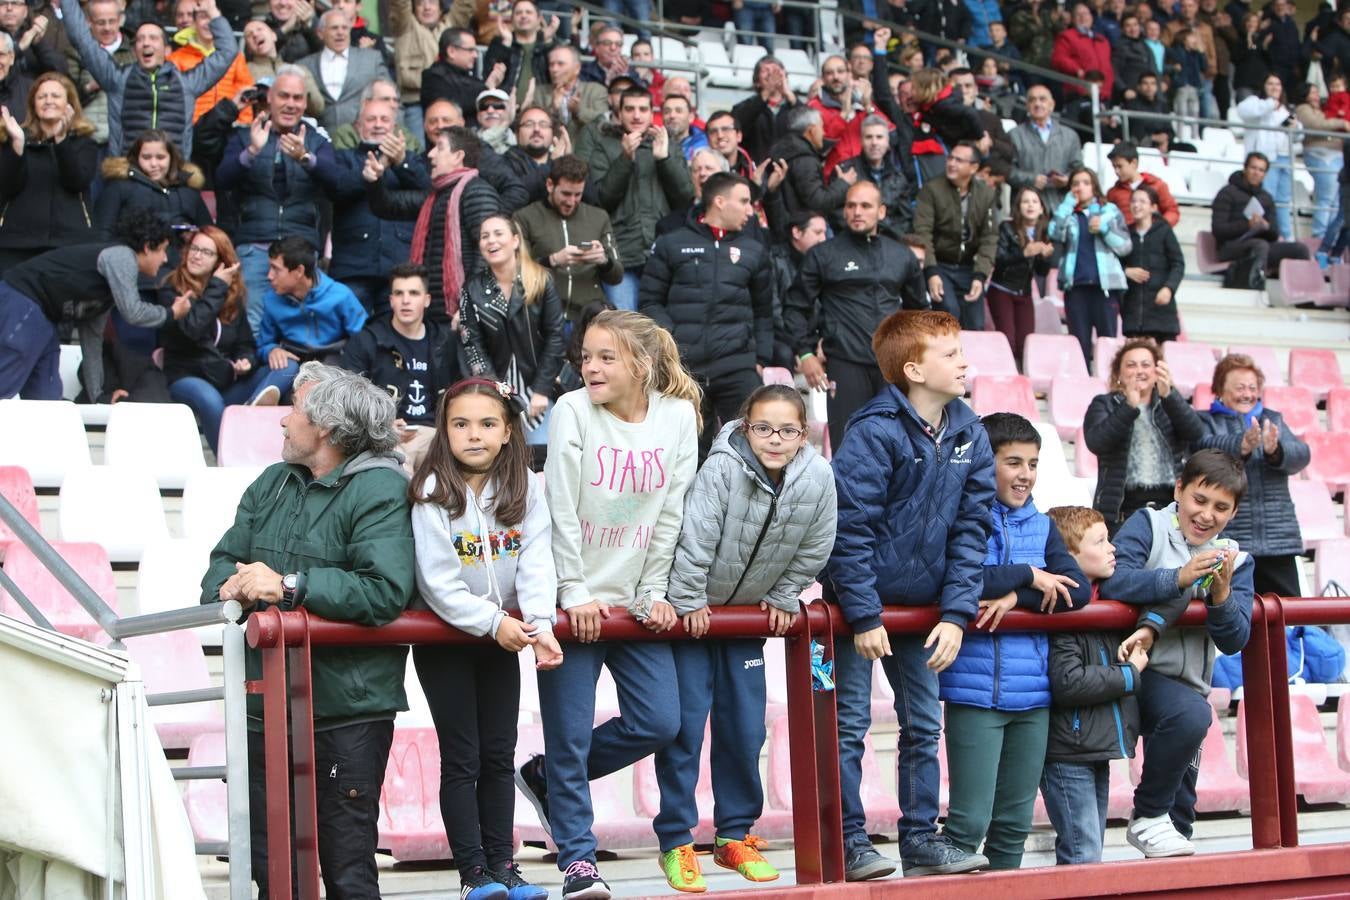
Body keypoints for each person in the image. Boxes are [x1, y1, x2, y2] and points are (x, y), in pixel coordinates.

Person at [203, 362, 414, 899]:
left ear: (324, 428)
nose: (281, 422)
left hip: (345, 712)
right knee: (270, 870)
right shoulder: (272, 482)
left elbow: (384, 591)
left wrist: (288, 586)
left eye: (293, 412)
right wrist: (235, 585)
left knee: (348, 871)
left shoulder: (382, 490)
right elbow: (220, 565)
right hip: (262, 708)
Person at [514, 310, 700, 900]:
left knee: (659, 721)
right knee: (569, 734)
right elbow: (560, 508)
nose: (589, 367)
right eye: (586, 356)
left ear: (641, 364)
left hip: (635, 601)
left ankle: (544, 778)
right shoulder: (571, 411)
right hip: (575, 605)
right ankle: (577, 860)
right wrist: (575, 595)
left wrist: (653, 591)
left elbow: (671, 513)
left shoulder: (676, 418)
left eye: (605, 357)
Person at [829, 309, 995, 881]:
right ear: (913, 369)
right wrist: (864, 612)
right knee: (848, 726)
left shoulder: (971, 431)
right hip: (857, 611)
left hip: (924, 612)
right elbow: (848, 530)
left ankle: (921, 837)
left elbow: (973, 530)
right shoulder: (873, 430)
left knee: (924, 725)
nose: (964, 362)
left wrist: (955, 614)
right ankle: (847, 840)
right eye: (950, 355)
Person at [656, 384, 836, 891]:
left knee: (745, 729)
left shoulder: (818, 477)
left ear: (804, 434)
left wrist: (783, 596)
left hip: (745, 625)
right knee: (685, 730)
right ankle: (676, 840)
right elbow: (695, 537)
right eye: (763, 428)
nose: (774, 439)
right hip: (696, 619)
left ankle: (734, 835)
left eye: (787, 430)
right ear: (744, 425)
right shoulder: (721, 468)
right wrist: (689, 600)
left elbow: (816, 543)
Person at [408, 378, 558, 900]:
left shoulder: (525, 489)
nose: (474, 434)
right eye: (461, 424)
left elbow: (537, 561)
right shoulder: (431, 495)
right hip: (449, 643)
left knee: (499, 754)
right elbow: (438, 584)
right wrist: (496, 623)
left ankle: (505, 868)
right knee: (463, 757)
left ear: (508, 430)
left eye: (487, 423)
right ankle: (474, 875)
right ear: (444, 431)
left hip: (504, 640)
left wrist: (539, 624)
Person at [940, 413, 1091, 870]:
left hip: (1034, 697)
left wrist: (1016, 595)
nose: (1025, 474)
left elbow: (1078, 590)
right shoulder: (959, 517)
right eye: (1013, 462)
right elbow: (959, 577)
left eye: (1033, 463)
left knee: (1013, 824)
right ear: (986, 464)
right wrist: (1028, 574)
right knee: (968, 822)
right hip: (972, 690)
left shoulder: (1043, 527)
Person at [1103, 449, 1253, 858]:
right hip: (1132, 669)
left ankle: (1159, 828)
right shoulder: (1146, 523)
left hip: (1190, 687)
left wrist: (1220, 595)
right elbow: (1114, 582)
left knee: (1179, 820)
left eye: (1221, 507)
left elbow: (1235, 638)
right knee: (1190, 719)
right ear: (1179, 490)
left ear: (1234, 513)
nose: (1206, 515)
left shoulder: (1236, 559)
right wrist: (1179, 577)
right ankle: (1146, 814)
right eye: (1199, 500)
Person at [639, 172, 773, 459]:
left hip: (737, 365)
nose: (750, 210)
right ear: (720, 202)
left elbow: (764, 310)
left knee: (754, 449)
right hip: (684, 368)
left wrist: (761, 358)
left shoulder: (755, 250)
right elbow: (650, 301)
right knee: (686, 457)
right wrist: (673, 340)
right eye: (745, 201)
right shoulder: (671, 243)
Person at [785, 181, 925, 452]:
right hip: (845, 364)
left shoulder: (901, 255)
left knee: (898, 448)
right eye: (851, 205)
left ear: (881, 212)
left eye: (865, 206)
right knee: (849, 448)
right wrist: (804, 353)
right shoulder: (824, 254)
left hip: (892, 366)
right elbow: (795, 307)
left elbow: (919, 313)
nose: (857, 212)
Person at [1040, 505, 1142, 865]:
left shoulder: (1106, 598)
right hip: (1068, 749)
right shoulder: (1062, 604)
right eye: (1101, 541)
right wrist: (1129, 675)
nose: (1112, 548)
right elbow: (1068, 681)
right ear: (1068, 554)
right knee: (1083, 854)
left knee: (1089, 851)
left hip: (1091, 745)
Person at [0, 209, 184, 401]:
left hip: (45, 317)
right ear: (147, 247)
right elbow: (133, 312)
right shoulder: (122, 256)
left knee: (47, 396)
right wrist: (171, 313)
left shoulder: (106, 292)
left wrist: (98, 397)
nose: (165, 259)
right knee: (5, 379)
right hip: (22, 300)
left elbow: (92, 342)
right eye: (163, 249)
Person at [216, 65, 338, 336]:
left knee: (303, 326)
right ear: (269, 97)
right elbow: (222, 179)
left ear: (306, 102)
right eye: (284, 96)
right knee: (254, 324)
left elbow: (337, 180)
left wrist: (307, 158)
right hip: (254, 246)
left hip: (301, 248)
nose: (290, 104)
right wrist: (251, 152)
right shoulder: (244, 134)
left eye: (297, 98)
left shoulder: (316, 139)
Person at [159, 226, 295, 452]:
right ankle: (229, 462)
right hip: (187, 376)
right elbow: (191, 329)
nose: (196, 255)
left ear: (221, 261)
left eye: (206, 252)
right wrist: (217, 286)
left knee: (289, 366)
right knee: (210, 400)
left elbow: (245, 344)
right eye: (194, 248)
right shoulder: (170, 289)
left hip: (226, 378)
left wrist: (245, 361)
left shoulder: (230, 297)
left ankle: (251, 410)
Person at [1194, 353, 1310, 597]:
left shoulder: (1272, 418)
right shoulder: (1206, 420)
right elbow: (1202, 450)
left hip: (1278, 539)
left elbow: (1302, 454)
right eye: (1239, 388)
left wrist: (1276, 450)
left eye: (1252, 387)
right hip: (1231, 542)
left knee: (1289, 614)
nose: (1247, 394)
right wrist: (1241, 445)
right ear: (1220, 390)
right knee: (1235, 609)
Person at [364, 125, 503, 324]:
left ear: (458, 156)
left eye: (439, 147)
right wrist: (374, 180)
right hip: (436, 314)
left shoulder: (477, 192)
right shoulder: (434, 196)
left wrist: (471, 306)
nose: (430, 154)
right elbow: (387, 206)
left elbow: (489, 254)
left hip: (465, 315)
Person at [62, 0, 236, 155]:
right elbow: (81, 39)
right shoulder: (117, 79)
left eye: (153, 38)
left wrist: (212, 11)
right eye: (140, 39)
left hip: (173, 178)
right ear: (135, 49)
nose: (146, 43)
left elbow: (227, 52)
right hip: (127, 177)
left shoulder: (187, 84)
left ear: (166, 49)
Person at [458, 213, 566, 456]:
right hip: (496, 390)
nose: (491, 241)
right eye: (485, 236)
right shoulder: (471, 289)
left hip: (538, 389)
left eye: (498, 234)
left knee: (544, 460)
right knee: (503, 462)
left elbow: (555, 337)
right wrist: (499, 392)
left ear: (515, 240)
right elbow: (472, 345)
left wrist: (541, 390)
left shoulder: (541, 279)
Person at [578, 86, 693, 312]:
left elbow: (686, 197)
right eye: (629, 109)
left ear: (652, 113)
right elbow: (601, 200)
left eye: (643, 109)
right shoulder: (605, 145)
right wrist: (624, 159)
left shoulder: (668, 143)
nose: (637, 115)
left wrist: (664, 159)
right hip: (622, 255)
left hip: (662, 251)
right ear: (619, 113)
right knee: (626, 328)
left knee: (661, 330)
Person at [339, 263, 459, 472]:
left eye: (413, 293)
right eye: (399, 293)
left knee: (449, 471)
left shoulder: (444, 341)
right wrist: (381, 426)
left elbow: (461, 391)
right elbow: (347, 397)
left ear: (427, 300)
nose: (406, 300)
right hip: (387, 437)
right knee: (398, 469)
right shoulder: (367, 341)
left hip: (436, 435)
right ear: (391, 300)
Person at [1084, 339, 1206, 536]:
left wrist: (1171, 396)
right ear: (1119, 374)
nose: (1139, 371)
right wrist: (1128, 407)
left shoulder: (1169, 401)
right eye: (1131, 365)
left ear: (1157, 371)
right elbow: (1096, 442)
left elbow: (1196, 434)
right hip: (1121, 513)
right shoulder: (1105, 404)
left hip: (1171, 510)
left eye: (1146, 365)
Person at [330, 98, 429, 312]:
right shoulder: (343, 158)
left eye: (385, 119)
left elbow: (429, 190)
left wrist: (401, 161)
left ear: (394, 126)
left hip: (400, 267)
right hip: (353, 266)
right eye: (371, 119)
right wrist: (367, 177)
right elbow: (336, 187)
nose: (378, 125)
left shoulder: (411, 159)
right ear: (358, 126)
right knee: (354, 338)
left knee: (398, 338)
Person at [0, 72, 98, 275]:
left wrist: (61, 141)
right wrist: (17, 146)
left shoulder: (84, 142)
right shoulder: (16, 139)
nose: (48, 101)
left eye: (55, 96)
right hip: (18, 243)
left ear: (69, 103)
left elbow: (76, 181)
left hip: (68, 242)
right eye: (42, 96)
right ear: (33, 104)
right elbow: (6, 188)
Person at [515, 154, 622, 323]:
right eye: (565, 194)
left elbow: (617, 276)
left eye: (578, 194)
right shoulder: (525, 217)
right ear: (550, 185)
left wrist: (603, 261)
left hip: (589, 315)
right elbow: (516, 272)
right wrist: (553, 260)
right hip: (544, 314)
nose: (571, 201)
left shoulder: (598, 217)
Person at [1050, 167, 1131, 370]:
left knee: (1108, 344)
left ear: (1094, 187)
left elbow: (1124, 247)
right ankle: (1082, 386)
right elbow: (1054, 233)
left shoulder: (1109, 211)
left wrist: (1104, 230)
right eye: (1075, 184)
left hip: (1104, 288)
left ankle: (1111, 388)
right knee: (1079, 344)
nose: (1080, 188)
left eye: (1085, 183)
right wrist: (1067, 204)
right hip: (1075, 287)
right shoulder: (1068, 213)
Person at [914, 141, 999, 331]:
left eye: (959, 160)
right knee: (948, 313)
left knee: (976, 323)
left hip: (969, 268)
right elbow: (922, 232)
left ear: (974, 167)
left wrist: (980, 275)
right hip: (940, 265)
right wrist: (931, 271)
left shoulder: (986, 194)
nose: (951, 163)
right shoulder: (931, 189)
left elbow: (990, 237)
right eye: (950, 158)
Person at [256, 235, 367, 380]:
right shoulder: (272, 299)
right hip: (293, 362)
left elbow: (364, 339)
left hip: (332, 364)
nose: (269, 276)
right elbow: (263, 344)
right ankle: (255, 402)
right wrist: (271, 350)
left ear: (299, 272)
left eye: (276, 269)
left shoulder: (341, 296)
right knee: (284, 367)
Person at [93, 128, 213, 240]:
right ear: (136, 158)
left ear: (171, 158)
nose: (153, 164)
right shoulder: (118, 187)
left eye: (160, 157)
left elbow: (210, 234)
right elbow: (102, 234)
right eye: (146, 157)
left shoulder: (189, 190)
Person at [1210, 151, 1312, 277]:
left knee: (1300, 249)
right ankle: (1256, 282)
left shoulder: (1266, 198)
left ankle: (1298, 289)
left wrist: (1266, 226)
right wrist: (1247, 225)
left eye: (1261, 170)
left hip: (1260, 245)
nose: (1256, 173)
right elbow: (1218, 229)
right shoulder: (1227, 193)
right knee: (1260, 246)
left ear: (1265, 174)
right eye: (1253, 168)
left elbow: (1275, 233)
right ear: (1245, 168)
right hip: (1230, 247)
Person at [297, 8, 393, 133]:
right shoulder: (304, 66)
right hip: (320, 141)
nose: (340, 32)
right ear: (320, 33)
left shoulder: (372, 59)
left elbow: (391, 98)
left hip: (362, 139)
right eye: (334, 28)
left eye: (344, 28)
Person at [388, 0, 473, 139]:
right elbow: (399, 5)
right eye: (420, 3)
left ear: (440, 9)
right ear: (414, 8)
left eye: (432, 2)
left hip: (447, 101)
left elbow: (465, 5)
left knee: (450, 145)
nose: (426, 7)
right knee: (418, 148)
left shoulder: (451, 25)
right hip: (414, 102)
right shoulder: (404, 25)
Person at [989, 186, 1056, 365]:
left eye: (1035, 202)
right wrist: (1024, 253)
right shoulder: (1007, 227)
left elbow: (1042, 272)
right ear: (1018, 207)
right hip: (1002, 289)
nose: (1030, 206)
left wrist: (1045, 258)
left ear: (1042, 208)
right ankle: (1004, 379)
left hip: (1024, 292)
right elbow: (998, 259)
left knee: (1026, 343)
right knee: (1007, 341)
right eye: (1025, 201)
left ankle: (1022, 381)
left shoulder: (1044, 232)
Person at [767, 105, 856, 230]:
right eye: (822, 127)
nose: (824, 133)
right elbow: (818, 203)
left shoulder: (787, 150)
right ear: (811, 130)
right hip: (803, 231)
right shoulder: (804, 160)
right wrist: (843, 184)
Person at [168, 0, 255, 124]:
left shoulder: (235, 57)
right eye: (203, 17)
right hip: (192, 130)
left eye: (212, 18)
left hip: (228, 128)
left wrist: (243, 124)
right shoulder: (175, 59)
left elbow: (245, 92)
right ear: (194, 22)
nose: (209, 23)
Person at [1122, 186, 1184, 344]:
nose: (1136, 205)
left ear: (1153, 207)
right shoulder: (1125, 234)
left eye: (1142, 201)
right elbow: (1113, 263)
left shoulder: (1164, 231)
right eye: (1133, 201)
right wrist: (1125, 271)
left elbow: (1178, 263)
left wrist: (1168, 288)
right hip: (1133, 313)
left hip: (1161, 315)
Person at [1236, 74, 1296, 240]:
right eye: (1270, 83)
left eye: (1278, 84)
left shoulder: (1285, 109)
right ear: (1263, 86)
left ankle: (1285, 236)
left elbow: (1298, 136)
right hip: (1265, 161)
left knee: (1284, 202)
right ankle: (1266, 235)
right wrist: (1270, 104)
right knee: (1265, 199)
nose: (1275, 87)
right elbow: (1243, 111)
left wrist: (1295, 127)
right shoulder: (1255, 102)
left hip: (1284, 158)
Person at [811, 53, 892, 173]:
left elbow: (892, 134)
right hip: (836, 177)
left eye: (840, 71)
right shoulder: (814, 107)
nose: (836, 77)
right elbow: (820, 147)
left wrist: (868, 107)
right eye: (829, 73)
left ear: (849, 75)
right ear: (822, 78)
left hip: (868, 174)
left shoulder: (862, 104)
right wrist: (843, 114)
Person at [838, 113, 913, 242]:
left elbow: (905, 219)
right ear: (861, 141)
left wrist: (882, 235)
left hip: (888, 244)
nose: (874, 142)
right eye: (869, 137)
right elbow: (838, 215)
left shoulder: (898, 177)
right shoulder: (846, 171)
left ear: (887, 142)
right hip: (852, 242)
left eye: (879, 137)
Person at [1009, 85, 1083, 214]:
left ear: (1052, 105)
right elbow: (1007, 171)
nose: (1037, 104)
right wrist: (1031, 179)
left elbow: (1079, 170)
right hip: (1026, 209)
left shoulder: (1070, 136)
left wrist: (1067, 180)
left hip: (1062, 206)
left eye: (1042, 99)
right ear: (1027, 106)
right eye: (1032, 100)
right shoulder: (1014, 135)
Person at [1294, 82, 1349, 243]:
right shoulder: (1303, 109)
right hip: (1320, 154)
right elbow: (1317, 125)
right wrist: (1342, 124)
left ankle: (1331, 238)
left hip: (1336, 155)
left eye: (1317, 93)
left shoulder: (1324, 109)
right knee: (1325, 198)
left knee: (1335, 200)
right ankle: (1319, 238)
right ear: (1305, 95)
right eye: (1313, 93)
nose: (1316, 96)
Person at [482, 0, 558, 101]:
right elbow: (488, 75)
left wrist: (547, 42)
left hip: (540, 109)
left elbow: (555, 76)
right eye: (518, 13)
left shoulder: (550, 45)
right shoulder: (499, 43)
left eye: (528, 12)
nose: (523, 16)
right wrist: (506, 45)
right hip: (504, 106)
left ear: (539, 18)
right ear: (512, 19)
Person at [732, 56, 800, 164]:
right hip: (757, 172)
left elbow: (809, 128)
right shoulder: (744, 108)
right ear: (757, 82)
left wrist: (791, 97)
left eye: (776, 70)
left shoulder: (795, 106)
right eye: (765, 70)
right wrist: (767, 91)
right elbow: (739, 125)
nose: (771, 74)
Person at [1105, 142, 1180, 228]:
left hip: (1153, 239)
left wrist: (1158, 229)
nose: (1116, 171)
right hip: (1125, 239)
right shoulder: (1113, 192)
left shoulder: (1157, 185)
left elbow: (1172, 211)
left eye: (1120, 166)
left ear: (1134, 163)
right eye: (1114, 167)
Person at [1052, 2, 1115, 99]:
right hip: (1080, 92)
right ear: (1072, 19)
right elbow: (1058, 59)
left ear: (1091, 17)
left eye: (1086, 13)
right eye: (1078, 14)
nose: (1083, 17)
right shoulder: (1066, 36)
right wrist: (1077, 70)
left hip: (1104, 94)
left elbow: (1108, 66)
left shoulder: (1102, 40)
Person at [547, 43, 607, 140]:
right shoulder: (539, 93)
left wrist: (578, 112)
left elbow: (602, 123)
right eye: (551, 64)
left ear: (577, 68)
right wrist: (553, 109)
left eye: (560, 64)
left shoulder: (597, 91)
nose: (554, 69)